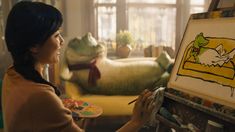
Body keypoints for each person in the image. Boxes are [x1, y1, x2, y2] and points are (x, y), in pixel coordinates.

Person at [2, 1, 155, 132]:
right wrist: (136, 121)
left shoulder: (12, 75)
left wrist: (64, 115)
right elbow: (42, 106)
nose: (62, 41)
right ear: (34, 46)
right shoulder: (41, 96)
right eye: (56, 35)